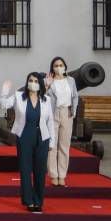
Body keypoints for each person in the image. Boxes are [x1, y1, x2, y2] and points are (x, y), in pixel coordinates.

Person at [0, 73, 56, 212]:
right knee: (25, 169)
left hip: (42, 136)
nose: (33, 83)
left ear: (40, 84)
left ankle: (38, 201)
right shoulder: (19, 97)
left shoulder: (46, 99)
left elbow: (50, 121)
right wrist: (4, 91)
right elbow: (3, 104)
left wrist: (52, 142)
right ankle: (29, 201)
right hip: (24, 135)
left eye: (36, 81)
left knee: (40, 170)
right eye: (30, 80)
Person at [45, 57, 79, 186]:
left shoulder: (71, 80)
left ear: (65, 66)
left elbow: (75, 96)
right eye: (56, 65)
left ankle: (62, 175)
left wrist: (73, 111)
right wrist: (47, 86)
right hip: (53, 113)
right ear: (52, 68)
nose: (58, 67)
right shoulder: (49, 80)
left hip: (67, 113)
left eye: (61, 65)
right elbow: (44, 97)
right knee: (52, 145)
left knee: (64, 146)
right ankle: (53, 174)